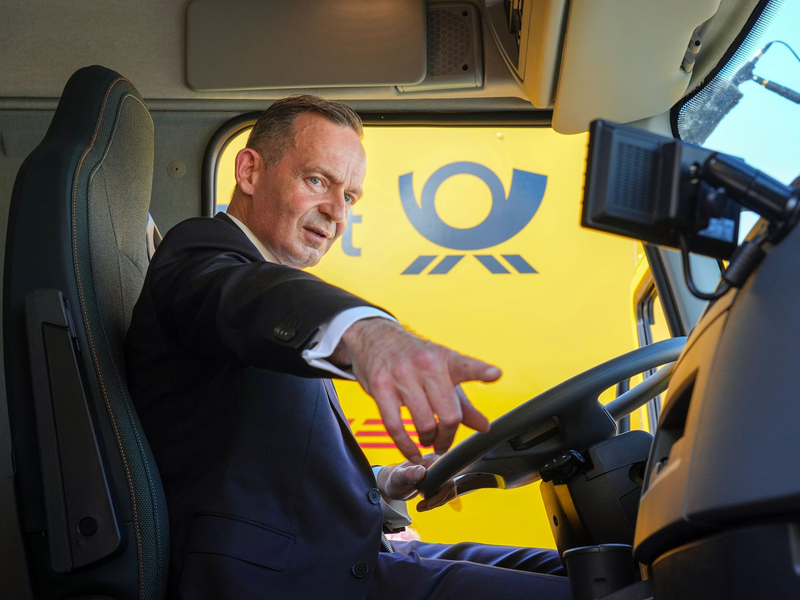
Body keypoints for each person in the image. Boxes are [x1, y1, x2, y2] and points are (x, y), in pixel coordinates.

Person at [126, 95, 572, 599]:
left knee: (591, 568)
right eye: (317, 180)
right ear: (249, 171)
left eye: (351, 197)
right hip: (287, 580)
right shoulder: (200, 254)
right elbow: (247, 298)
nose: (337, 212)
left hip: (345, 549)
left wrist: (384, 487)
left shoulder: (271, 291)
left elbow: (265, 466)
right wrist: (367, 331)